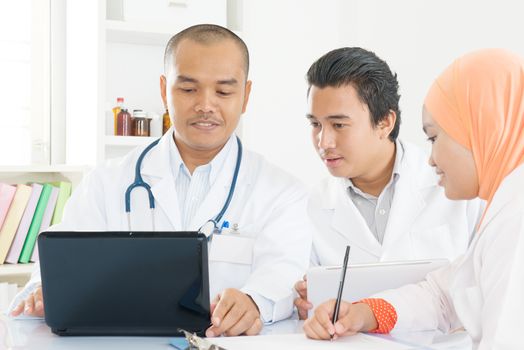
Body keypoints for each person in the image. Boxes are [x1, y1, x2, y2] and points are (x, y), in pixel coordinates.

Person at [9, 24, 313, 337]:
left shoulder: (282, 192)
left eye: (223, 91)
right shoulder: (106, 182)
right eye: (188, 89)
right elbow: (61, 262)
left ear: (246, 96)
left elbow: (285, 271)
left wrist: (253, 300)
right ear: (163, 89)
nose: (206, 105)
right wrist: (44, 291)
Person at [304, 48, 524, 349]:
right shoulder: (507, 206)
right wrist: (363, 313)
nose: (431, 160)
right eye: (315, 124)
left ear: (482, 131)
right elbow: (444, 295)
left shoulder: (516, 219)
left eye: (434, 138)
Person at [294, 47, 481, 319]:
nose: (324, 142)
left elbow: (483, 293)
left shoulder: (458, 188)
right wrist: (302, 307)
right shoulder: (309, 206)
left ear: (384, 122)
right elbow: (302, 302)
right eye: (315, 125)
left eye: (338, 125)